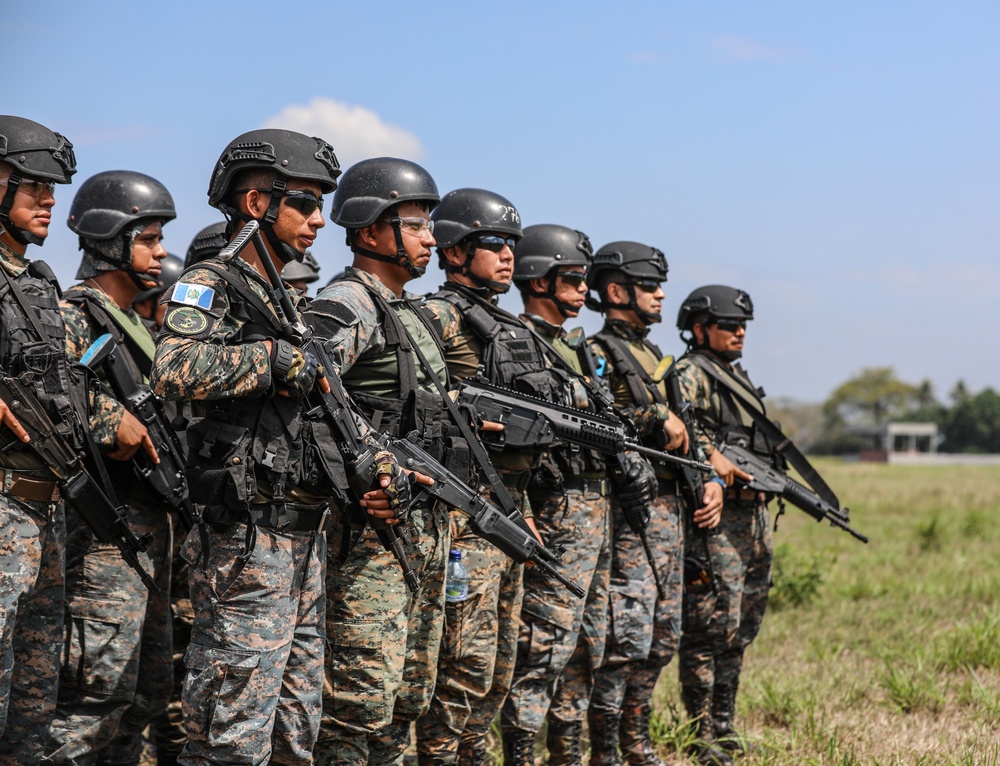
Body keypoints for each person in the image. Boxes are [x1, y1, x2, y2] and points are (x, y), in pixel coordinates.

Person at [150, 128, 403, 766]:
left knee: (294, 722)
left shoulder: (286, 298)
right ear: (258, 203)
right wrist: (272, 359)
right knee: (233, 727)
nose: (321, 219)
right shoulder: (213, 281)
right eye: (306, 203)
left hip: (299, 528)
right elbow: (173, 369)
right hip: (247, 533)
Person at [0, 115, 153, 766]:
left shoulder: (37, 282)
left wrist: (108, 418)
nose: (48, 201)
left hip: (49, 510)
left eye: (51, 187)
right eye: (33, 186)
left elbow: (65, 384)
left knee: (32, 713)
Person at [304, 157, 457, 766]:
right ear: (370, 232)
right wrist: (363, 471)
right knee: (357, 702)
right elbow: (304, 397)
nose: (430, 238)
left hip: (418, 524)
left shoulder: (403, 310)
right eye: (417, 225)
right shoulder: (351, 302)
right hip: (369, 532)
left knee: (406, 697)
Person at [46, 170, 178, 765]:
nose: (161, 253)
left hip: (149, 533)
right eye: (148, 239)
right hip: (101, 536)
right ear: (108, 239)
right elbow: (44, 396)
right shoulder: (74, 316)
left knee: (145, 693)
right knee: (91, 701)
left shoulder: (135, 327)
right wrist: (105, 418)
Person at [584, 243, 724, 766]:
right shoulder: (598, 352)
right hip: (632, 511)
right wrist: (649, 422)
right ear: (617, 292)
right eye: (650, 286)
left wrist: (711, 478)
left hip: (673, 511)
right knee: (626, 635)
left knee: (663, 636)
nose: (662, 294)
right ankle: (606, 752)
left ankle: (636, 745)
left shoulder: (654, 356)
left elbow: (692, 429)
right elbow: (595, 418)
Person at [418, 188, 543, 765]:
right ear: (453, 251)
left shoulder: (511, 325)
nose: (508, 255)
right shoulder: (434, 317)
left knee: (499, 666)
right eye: (492, 243)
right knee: (459, 663)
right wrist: (482, 417)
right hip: (461, 513)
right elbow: (409, 406)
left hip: (509, 505)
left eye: (512, 244)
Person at [499, 224, 618, 766]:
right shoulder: (518, 344)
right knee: (544, 645)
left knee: (589, 643)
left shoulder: (579, 349)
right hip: (555, 510)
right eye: (571, 278)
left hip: (597, 508)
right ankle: (522, 753)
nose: (581, 288)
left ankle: (568, 753)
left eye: (583, 278)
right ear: (537, 279)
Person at [674, 285, 771, 765]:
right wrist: (713, 464)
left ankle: (724, 725)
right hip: (716, 518)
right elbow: (684, 427)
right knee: (709, 628)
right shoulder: (691, 372)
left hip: (752, 517)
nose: (738, 333)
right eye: (729, 325)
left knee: (742, 627)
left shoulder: (737, 377)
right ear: (698, 329)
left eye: (742, 327)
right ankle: (700, 733)